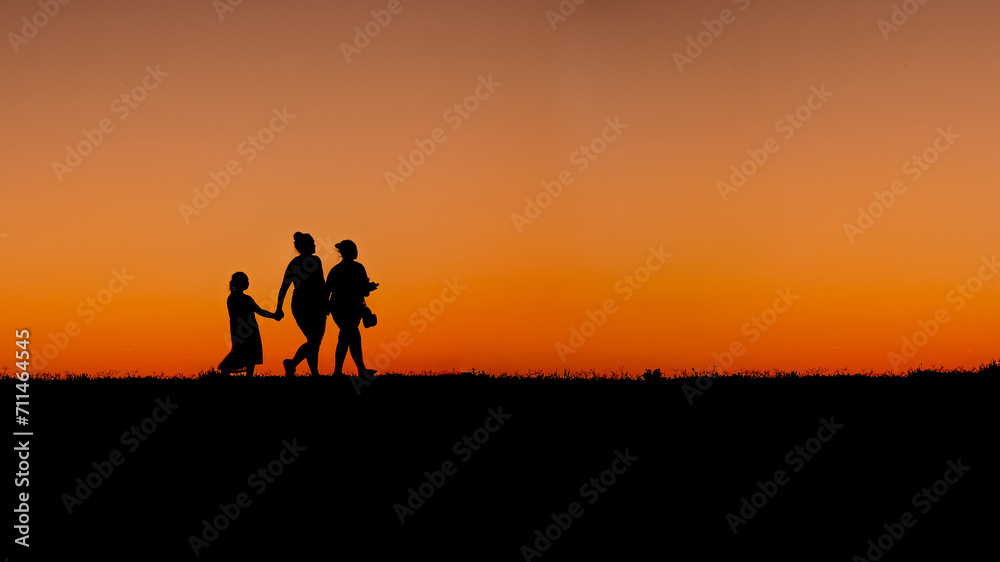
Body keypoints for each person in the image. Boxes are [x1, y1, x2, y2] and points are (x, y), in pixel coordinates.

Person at [275, 232, 328, 377]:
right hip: (311, 303)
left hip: (301, 303)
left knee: (313, 340)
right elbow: (321, 283)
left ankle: (313, 372)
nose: (315, 246)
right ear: (306, 246)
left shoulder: (294, 263)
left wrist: (279, 308)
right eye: (312, 244)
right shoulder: (315, 261)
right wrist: (326, 302)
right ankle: (293, 363)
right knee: (314, 341)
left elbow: (283, 288)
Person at [327, 239, 379, 378]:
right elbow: (363, 290)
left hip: (338, 308)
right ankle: (354, 371)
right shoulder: (358, 268)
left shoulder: (335, 270)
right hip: (351, 307)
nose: (356, 251)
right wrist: (370, 287)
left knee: (347, 337)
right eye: (355, 248)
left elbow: (328, 290)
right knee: (351, 336)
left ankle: (347, 371)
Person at [219, 272, 280, 377]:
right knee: (248, 358)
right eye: (246, 281)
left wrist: (274, 316)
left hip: (240, 331)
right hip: (247, 332)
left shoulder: (232, 298)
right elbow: (260, 311)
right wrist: (274, 316)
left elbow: (257, 311)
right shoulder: (244, 299)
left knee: (244, 355)